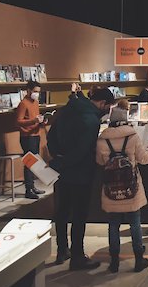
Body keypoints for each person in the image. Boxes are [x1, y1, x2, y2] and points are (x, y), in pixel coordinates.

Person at [47, 87, 115, 270]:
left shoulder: (67, 110)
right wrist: (67, 161)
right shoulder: (91, 120)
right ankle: (77, 256)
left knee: (62, 211)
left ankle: (62, 250)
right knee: (79, 214)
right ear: (103, 104)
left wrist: (58, 158)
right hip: (81, 172)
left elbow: (50, 137)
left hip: (63, 172)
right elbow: (83, 150)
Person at [95, 99, 148, 273]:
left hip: (111, 188)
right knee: (134, 222)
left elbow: (100, 162)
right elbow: (144, 158)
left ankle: (114, 261)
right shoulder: (132, 136)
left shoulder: (102, 140)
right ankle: (139, 258)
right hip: (131, 187)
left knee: (113, 224)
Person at [15, 80, 46, 200]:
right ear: (28, 90)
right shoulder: (23, 103)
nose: (37, 94)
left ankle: (33, 186)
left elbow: (35, 118)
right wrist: (33, 121)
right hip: (27, 136)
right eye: (35, 91)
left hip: (36, 134)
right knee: (29, 163)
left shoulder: (36, 102)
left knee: (35, 162)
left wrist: (42, 121)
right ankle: (28, 189)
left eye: (38, 92)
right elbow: (18, 121)